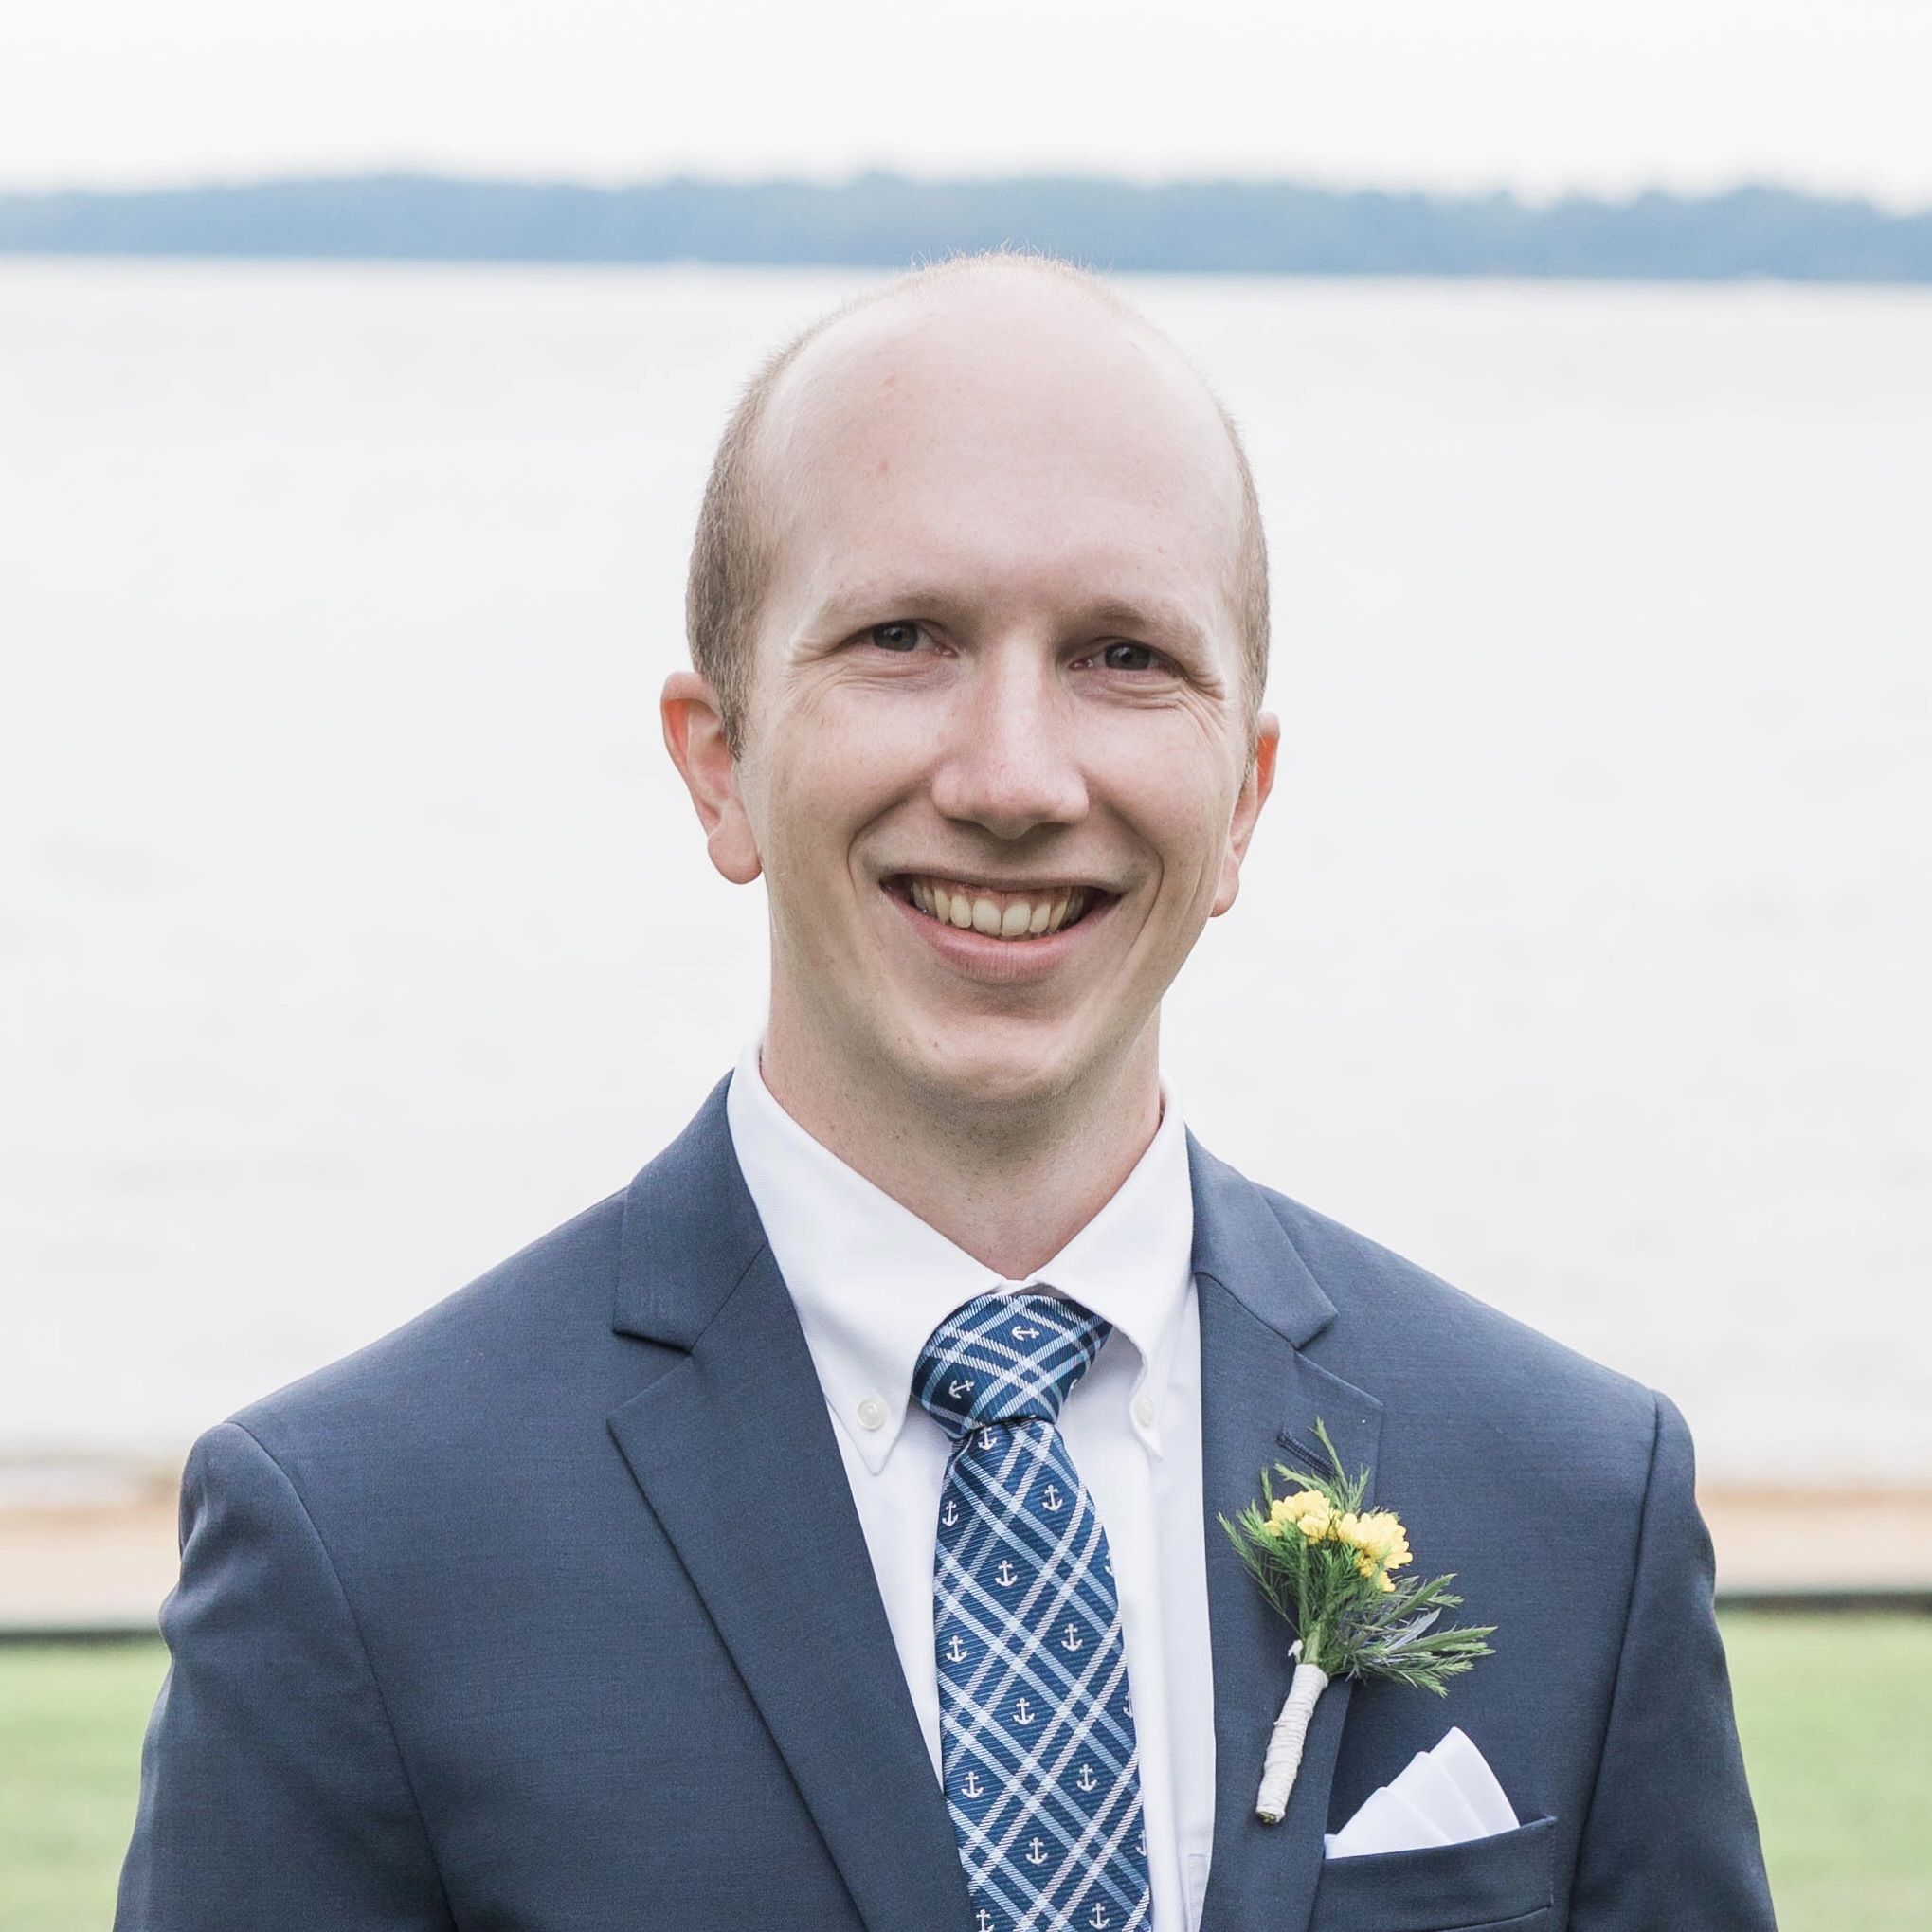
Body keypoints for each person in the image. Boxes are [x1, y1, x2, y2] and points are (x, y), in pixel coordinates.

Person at [117, 254, 1774, 1932]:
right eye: (904, 638)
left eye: (1124, 656)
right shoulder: (362, 1544)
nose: (1012, 779)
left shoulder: (1580, 1502)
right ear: (719, 761)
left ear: (1247, 796)